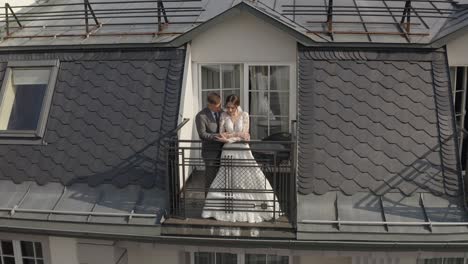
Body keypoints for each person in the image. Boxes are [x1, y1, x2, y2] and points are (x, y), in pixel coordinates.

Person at [201, 94, 280, 223]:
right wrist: (236, 135)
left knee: (249, 177)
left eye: (232, 107)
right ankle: (223, 209)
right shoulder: (223, 115)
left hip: (243, 151)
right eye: (227, 107)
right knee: (227, 180)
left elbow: (245, 135)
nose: (229, 110)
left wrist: (232, 137)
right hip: (228, 152)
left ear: (237, 106)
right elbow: (222, 134)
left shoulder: (245, 115)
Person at [195, 93, 224, 196]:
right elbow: (202, 134)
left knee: (222, 179)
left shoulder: (222, 113)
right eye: (217, 106)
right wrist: (217, 136)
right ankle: (208, 203)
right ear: (210, 105)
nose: (220, 108)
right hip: (210, 153)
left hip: (224, 151)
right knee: (210, 179)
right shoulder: (201, 116)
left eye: (220, 105)